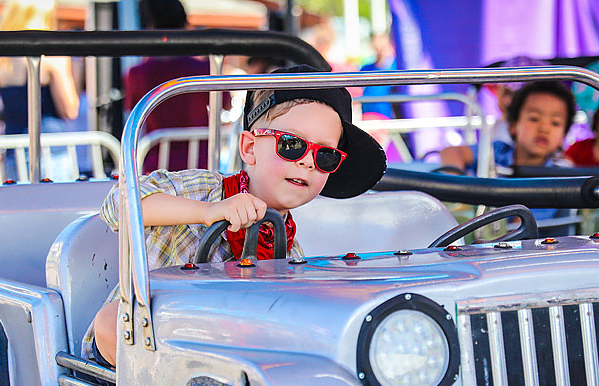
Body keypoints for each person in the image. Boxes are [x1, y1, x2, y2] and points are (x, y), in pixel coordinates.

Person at [85, 65, 387, 367]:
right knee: (112, 319)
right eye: (292, 146)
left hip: (213, 356)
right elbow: (118, 205)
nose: (308, 163)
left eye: (325, 155)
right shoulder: (202, 189)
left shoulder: (289, 250)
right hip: (135, 347)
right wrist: (209, 212)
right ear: (250, 147)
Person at [0, 0, 79, 181]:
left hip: (14, 151)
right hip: (51, 149)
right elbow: (70, 109)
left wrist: (12, 111)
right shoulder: (52, 56)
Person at [125, 0, 229, 173]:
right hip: (204, 166)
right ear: (185, 25)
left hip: (156, 170)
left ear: (149, 27)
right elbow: (225, 106)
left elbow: (132, 113)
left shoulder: (137, 74)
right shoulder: (205, 69)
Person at [439, 80, 575, 174]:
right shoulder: (496, 153)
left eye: (555, 123)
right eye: (534, 119)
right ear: (513, 126)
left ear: (563, 136)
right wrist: (457, 185)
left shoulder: (561, 174)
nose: (544, 129)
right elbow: (451, 152)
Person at [359, 32, 397, 119]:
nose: (379, 50)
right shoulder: (366, 68)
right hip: (368, 117)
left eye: (382, 47)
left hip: (388, 118)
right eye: (376, 47)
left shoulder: (396, 68)